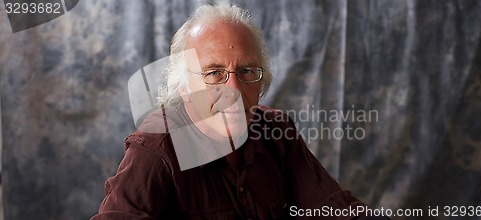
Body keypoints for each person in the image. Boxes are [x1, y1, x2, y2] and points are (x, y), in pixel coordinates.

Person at [92, 4, 385, 220]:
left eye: (246, 71)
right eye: (215, 73)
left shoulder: (276, 131)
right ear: (183, 88)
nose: (233, 89)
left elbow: (333, 209)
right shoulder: (156, 149)